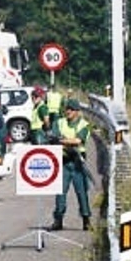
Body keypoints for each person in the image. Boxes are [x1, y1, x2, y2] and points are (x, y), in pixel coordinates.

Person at [50, 99, 92, 231]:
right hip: (63, 161)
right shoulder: (60, 122)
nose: (68, 111)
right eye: (67, 109)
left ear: (77, 112)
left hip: (78, 162)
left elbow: (78, 140)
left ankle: (86, 220)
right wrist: (65, 141)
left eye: (71, 109)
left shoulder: (84, 125)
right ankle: (58, 220)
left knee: (81, 192)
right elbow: (54, 138)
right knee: (60, 191)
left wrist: (62, 140)